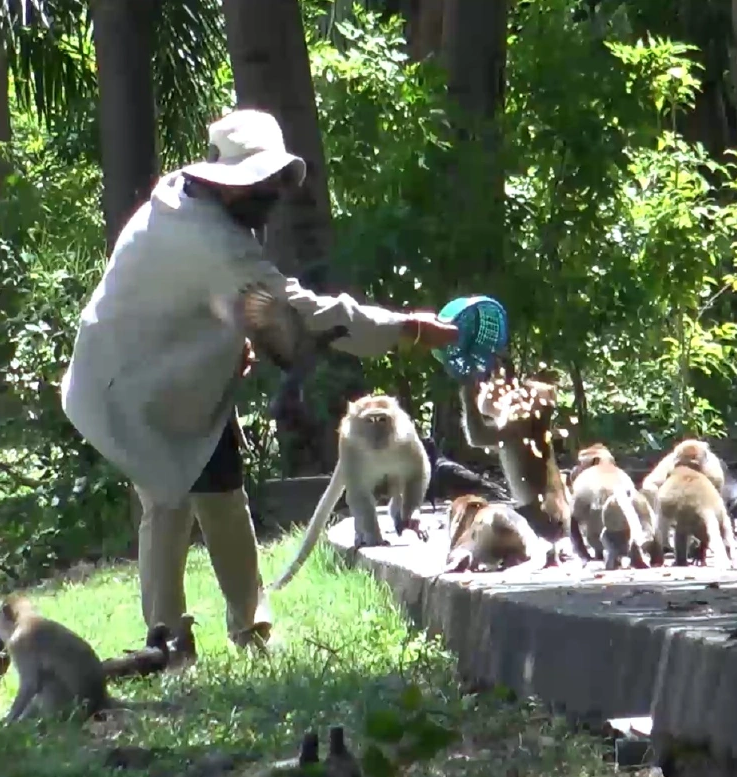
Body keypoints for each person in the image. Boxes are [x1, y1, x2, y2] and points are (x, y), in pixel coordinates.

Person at [61, 108, 459, 650]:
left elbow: (197, 307)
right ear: (231, 184)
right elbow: (304, 313)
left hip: (173, 379)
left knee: (220, 491)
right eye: (262, 185)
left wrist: (227, 346)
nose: (270, 196)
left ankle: (245, 628)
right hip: (128, 389)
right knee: (168, 501)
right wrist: (406, 328)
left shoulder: (182, 197)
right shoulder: (210, 238)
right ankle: (168, 642)